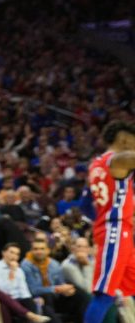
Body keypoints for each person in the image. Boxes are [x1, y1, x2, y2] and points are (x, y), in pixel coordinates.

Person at [84, 120, 135, 323]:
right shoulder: (118, 160)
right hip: (115, 229)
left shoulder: (96, 164)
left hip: (117, 227)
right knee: (104, 293)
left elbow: (85, 205)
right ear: (123, 139)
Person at [22, 237, 89, 322]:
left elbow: (61, 283)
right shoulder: (26, 265)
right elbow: (33, 290)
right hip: (38, 298)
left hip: (56, 297)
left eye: (42, 249)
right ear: (31, 250)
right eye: (36, 249)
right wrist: (56, 289)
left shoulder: (54, 264)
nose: (39, 251)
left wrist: (66, 290)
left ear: (48, 250)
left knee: (79, 293)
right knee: (47, 296)